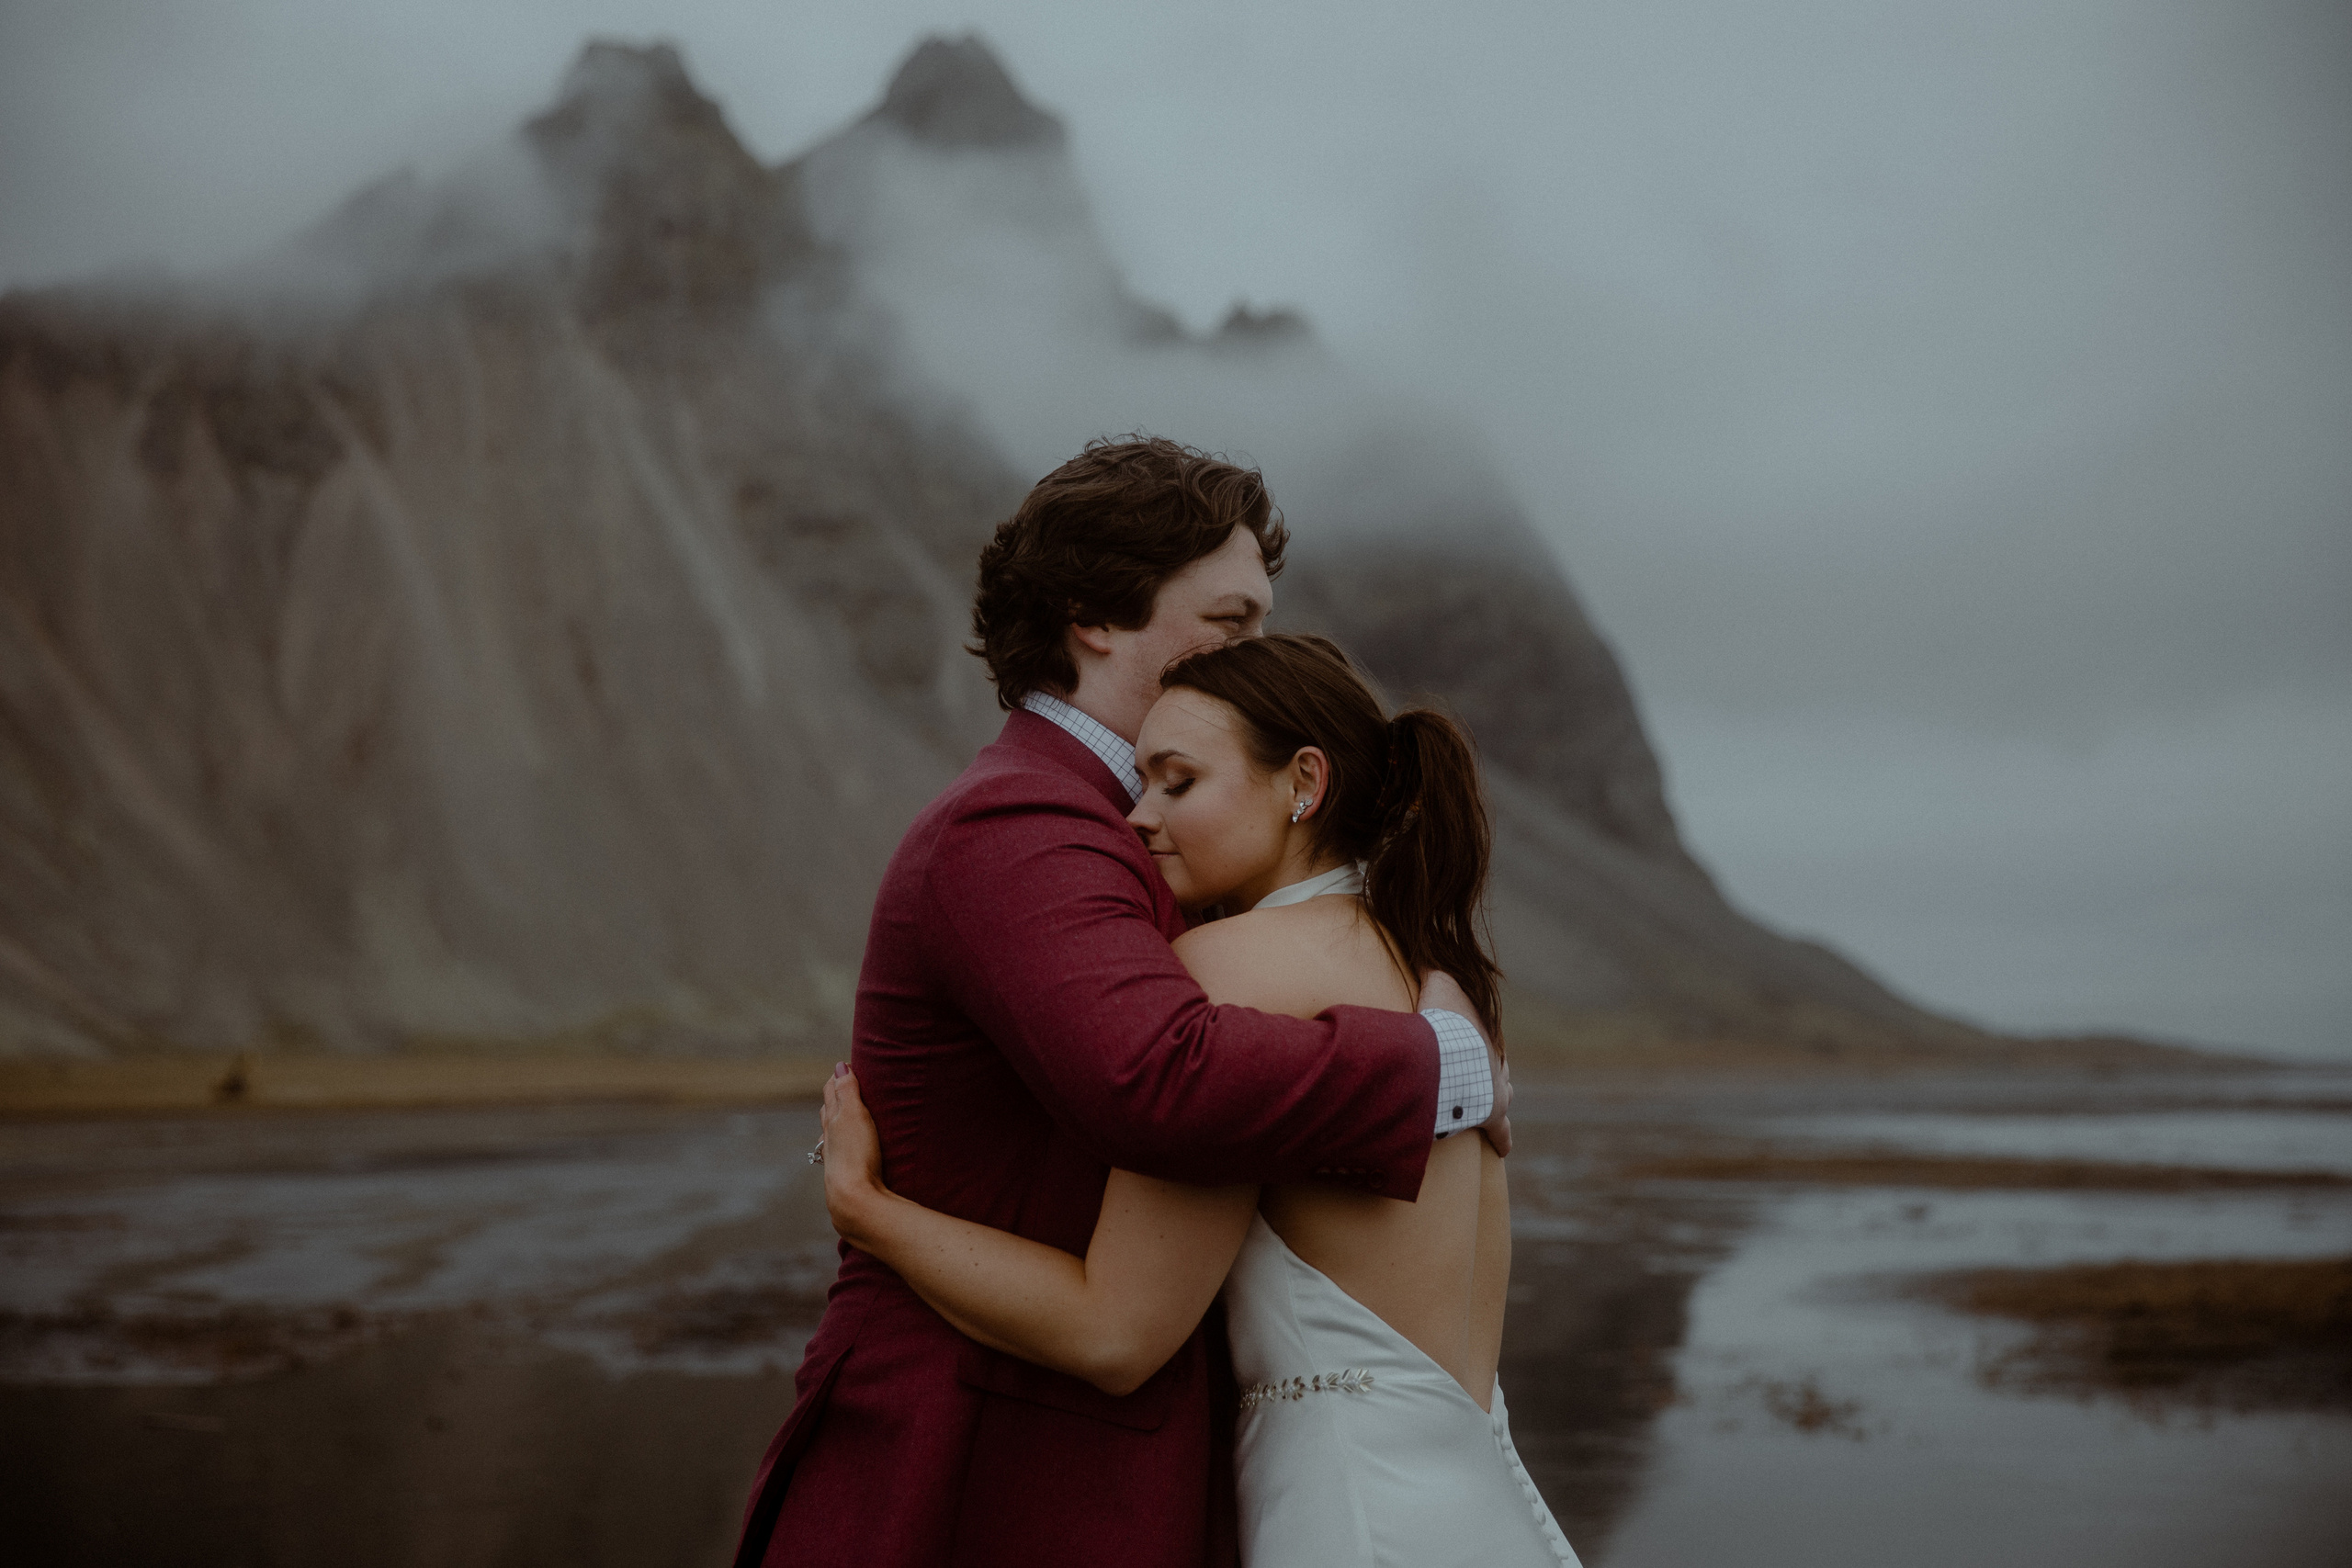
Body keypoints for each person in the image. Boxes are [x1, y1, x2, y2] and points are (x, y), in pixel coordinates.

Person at [732, 437, 1510, 1568]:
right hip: (974, 1460)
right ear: (1097, 613)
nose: (1256, 653)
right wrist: (1439, 1069)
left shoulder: (1189, 869)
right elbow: (1157, 1078)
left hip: (1112, 1451)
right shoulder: (1021, 823)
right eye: (1231, 623)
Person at [819, 633, 1580, 1568]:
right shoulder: (1420, 971)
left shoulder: (1231, 969)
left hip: (1349, 1522)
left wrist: (872, 1212)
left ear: (1303, 784)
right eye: (1140, 781)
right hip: (1484, 1512)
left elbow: (1114, 1331)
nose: (1137, 816)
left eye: (1177, 782)